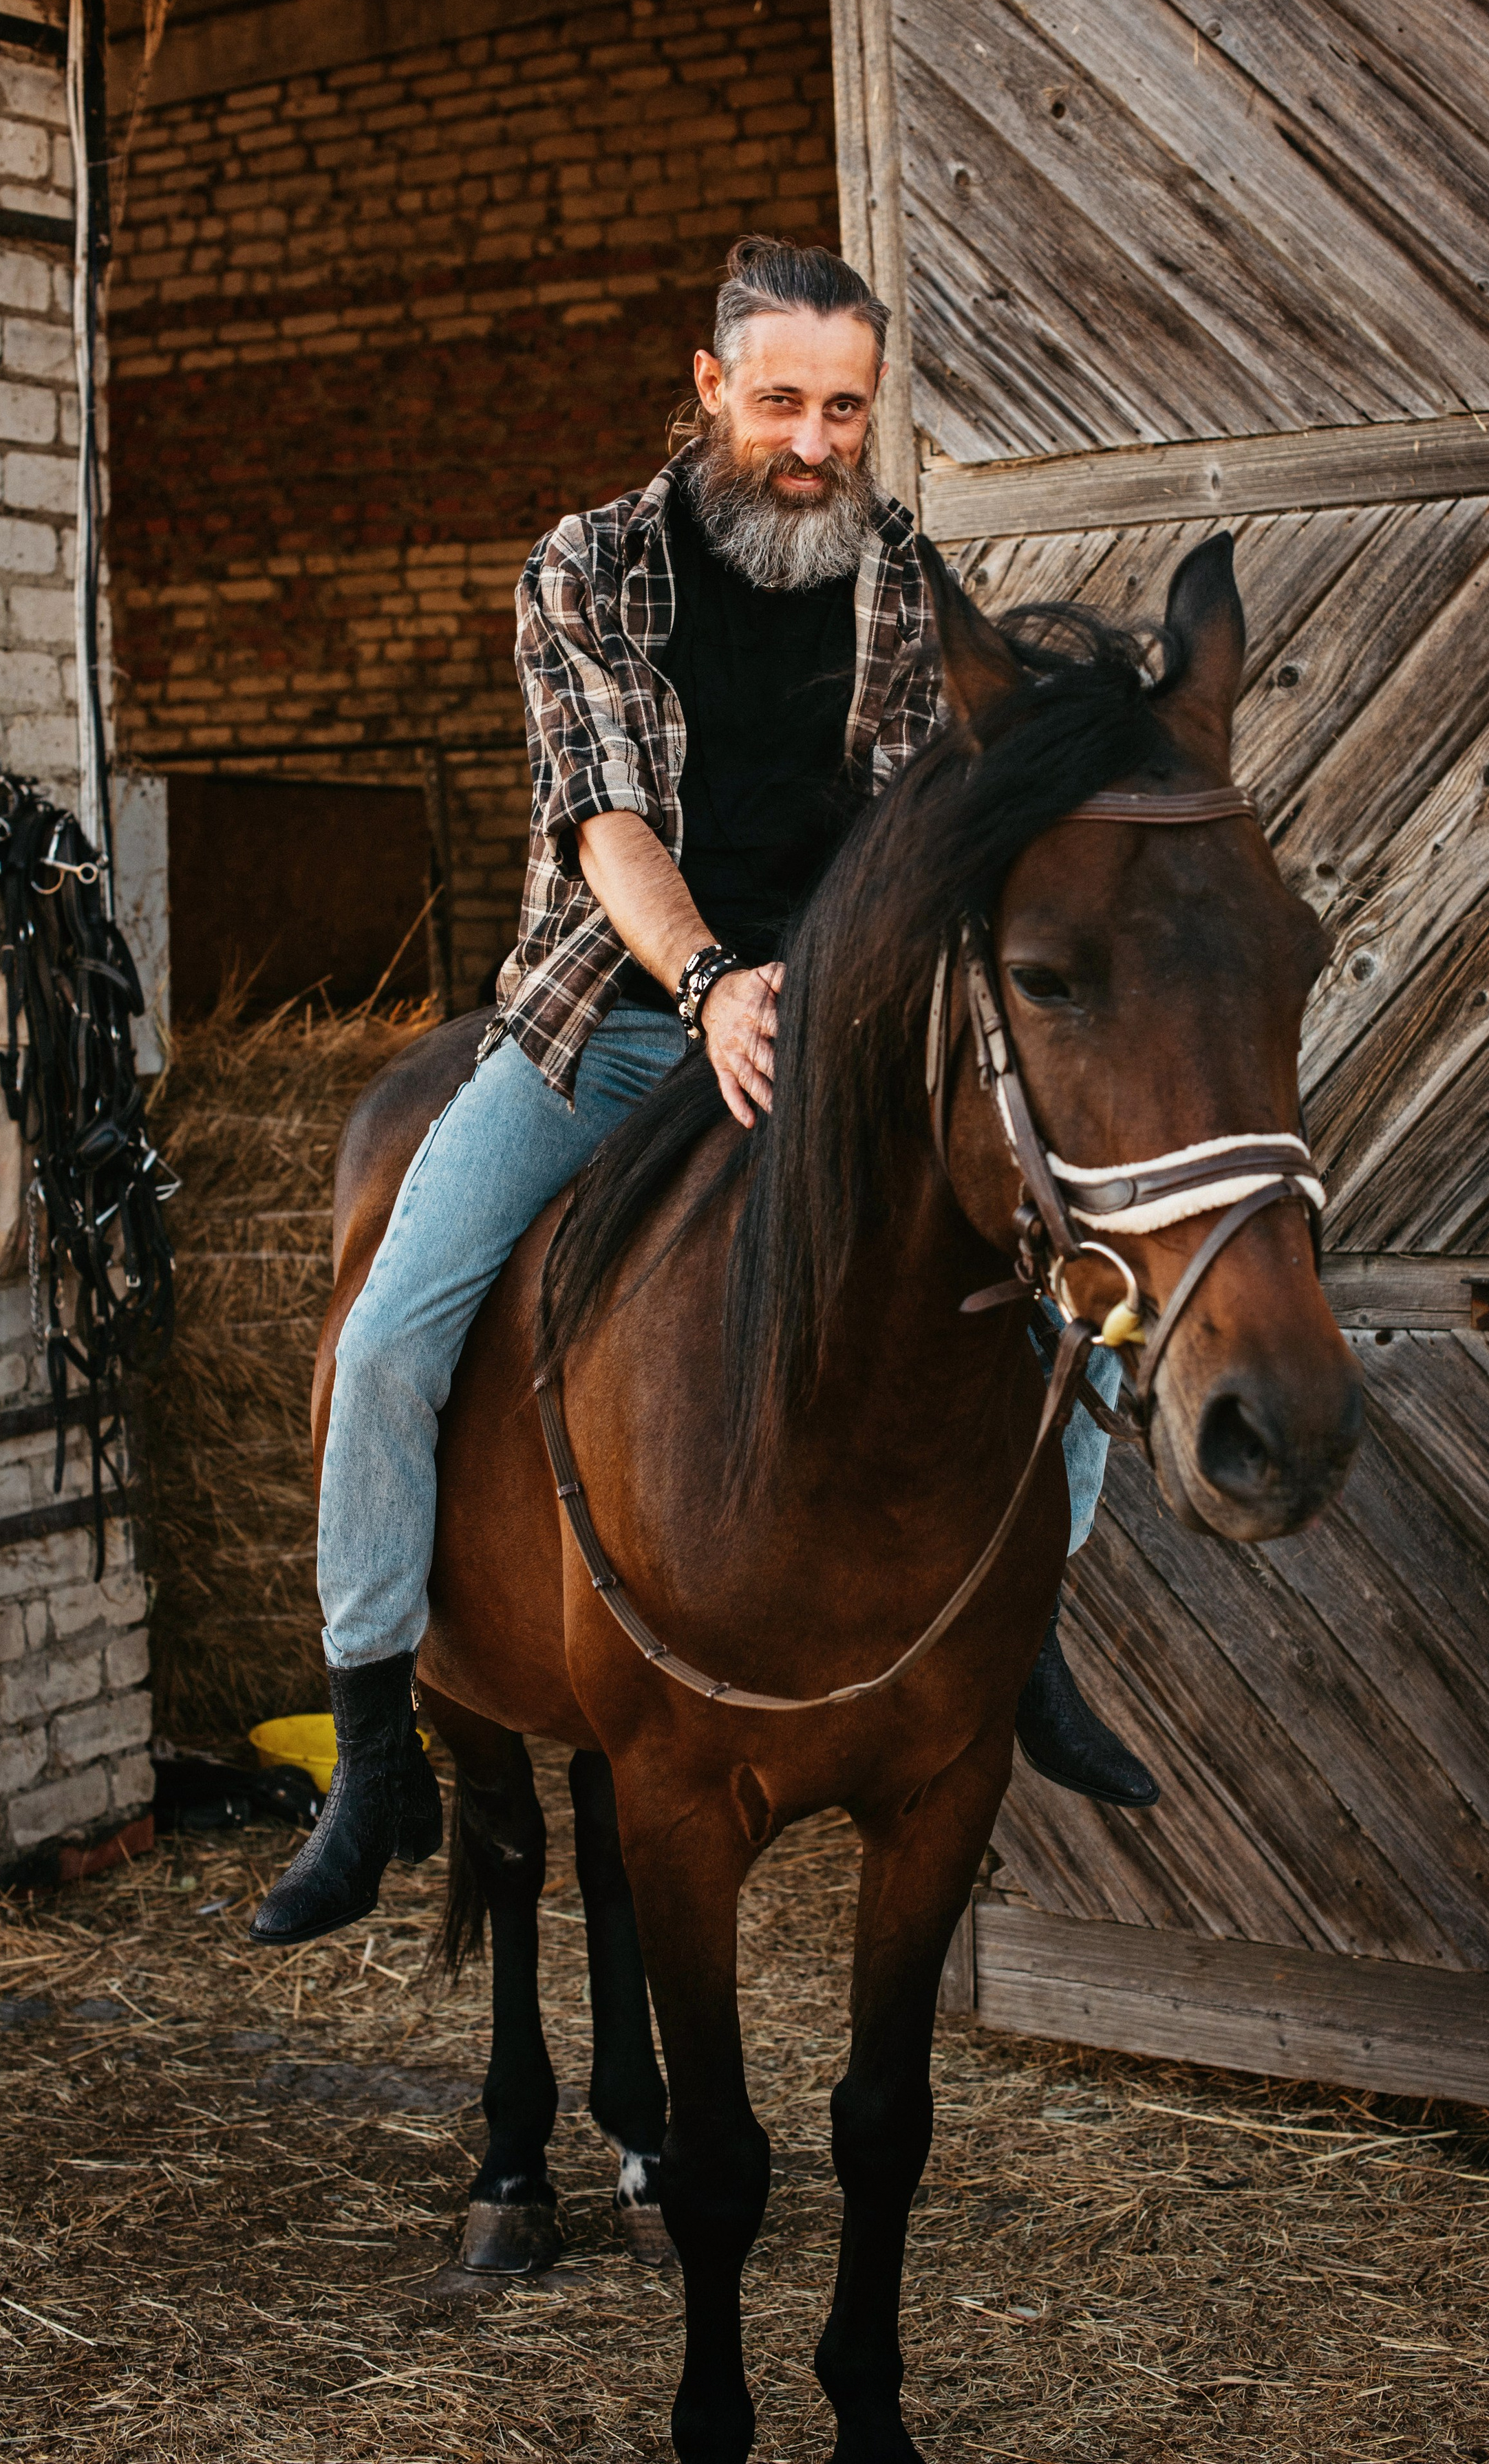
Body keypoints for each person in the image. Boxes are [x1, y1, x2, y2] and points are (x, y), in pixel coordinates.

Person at [252, 238, 1157, 1950]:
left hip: (831, 1043)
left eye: (844, 408)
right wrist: (706, 983)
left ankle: (1017, 1642)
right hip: (607, 1022)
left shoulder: (901, 577)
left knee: (1068, 1307)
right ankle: (374, 1745)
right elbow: (608, 823)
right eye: (780, 403)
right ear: (706, 388)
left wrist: (839, 1007)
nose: (812, 442)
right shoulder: (588, 566)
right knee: (387, 1331)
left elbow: (912, 834)